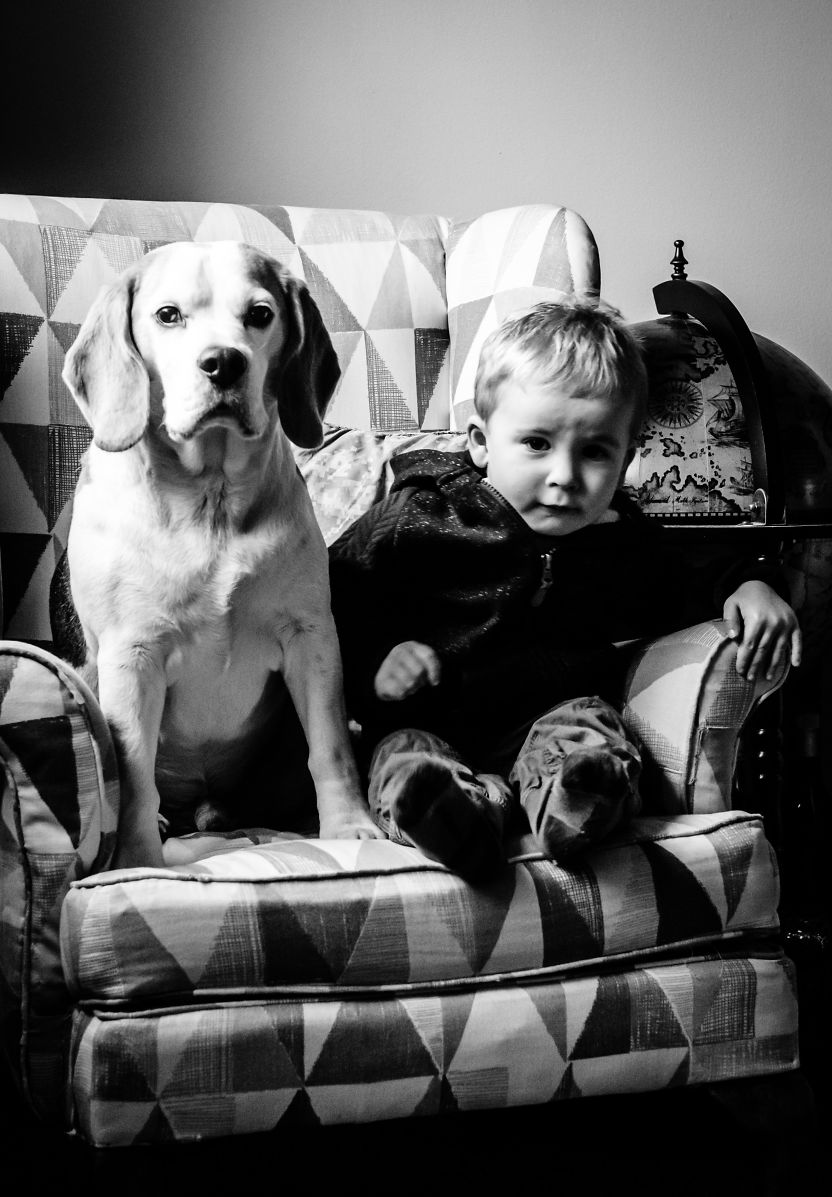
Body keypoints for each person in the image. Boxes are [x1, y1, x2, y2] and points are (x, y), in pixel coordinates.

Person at [328, 299, 801, 880]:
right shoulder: (420, 520)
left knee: (588, 729)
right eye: (535, 443)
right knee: (404, 755)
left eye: (596, 451)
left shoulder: (621, 541)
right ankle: (453, 817)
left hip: (547, 720)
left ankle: (575, 802)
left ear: (626, 458)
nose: (564, 476)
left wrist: (751, 583)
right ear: (480, 442)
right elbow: (326, 602)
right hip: (431, 721)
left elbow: (692, 578)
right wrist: (379, 663)